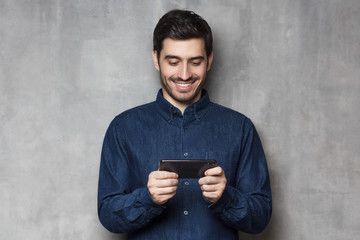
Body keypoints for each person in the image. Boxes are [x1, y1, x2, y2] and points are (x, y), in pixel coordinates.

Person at [98, 9, 272, 240]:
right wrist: (147, 199)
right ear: (156, 59)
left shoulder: (240, 129)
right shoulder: (123, 128)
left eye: (195, 62)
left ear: (209, 59)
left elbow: (260, 218)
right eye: (173, 61)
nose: (184, 74)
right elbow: (108, 215)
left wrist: (226, 197)